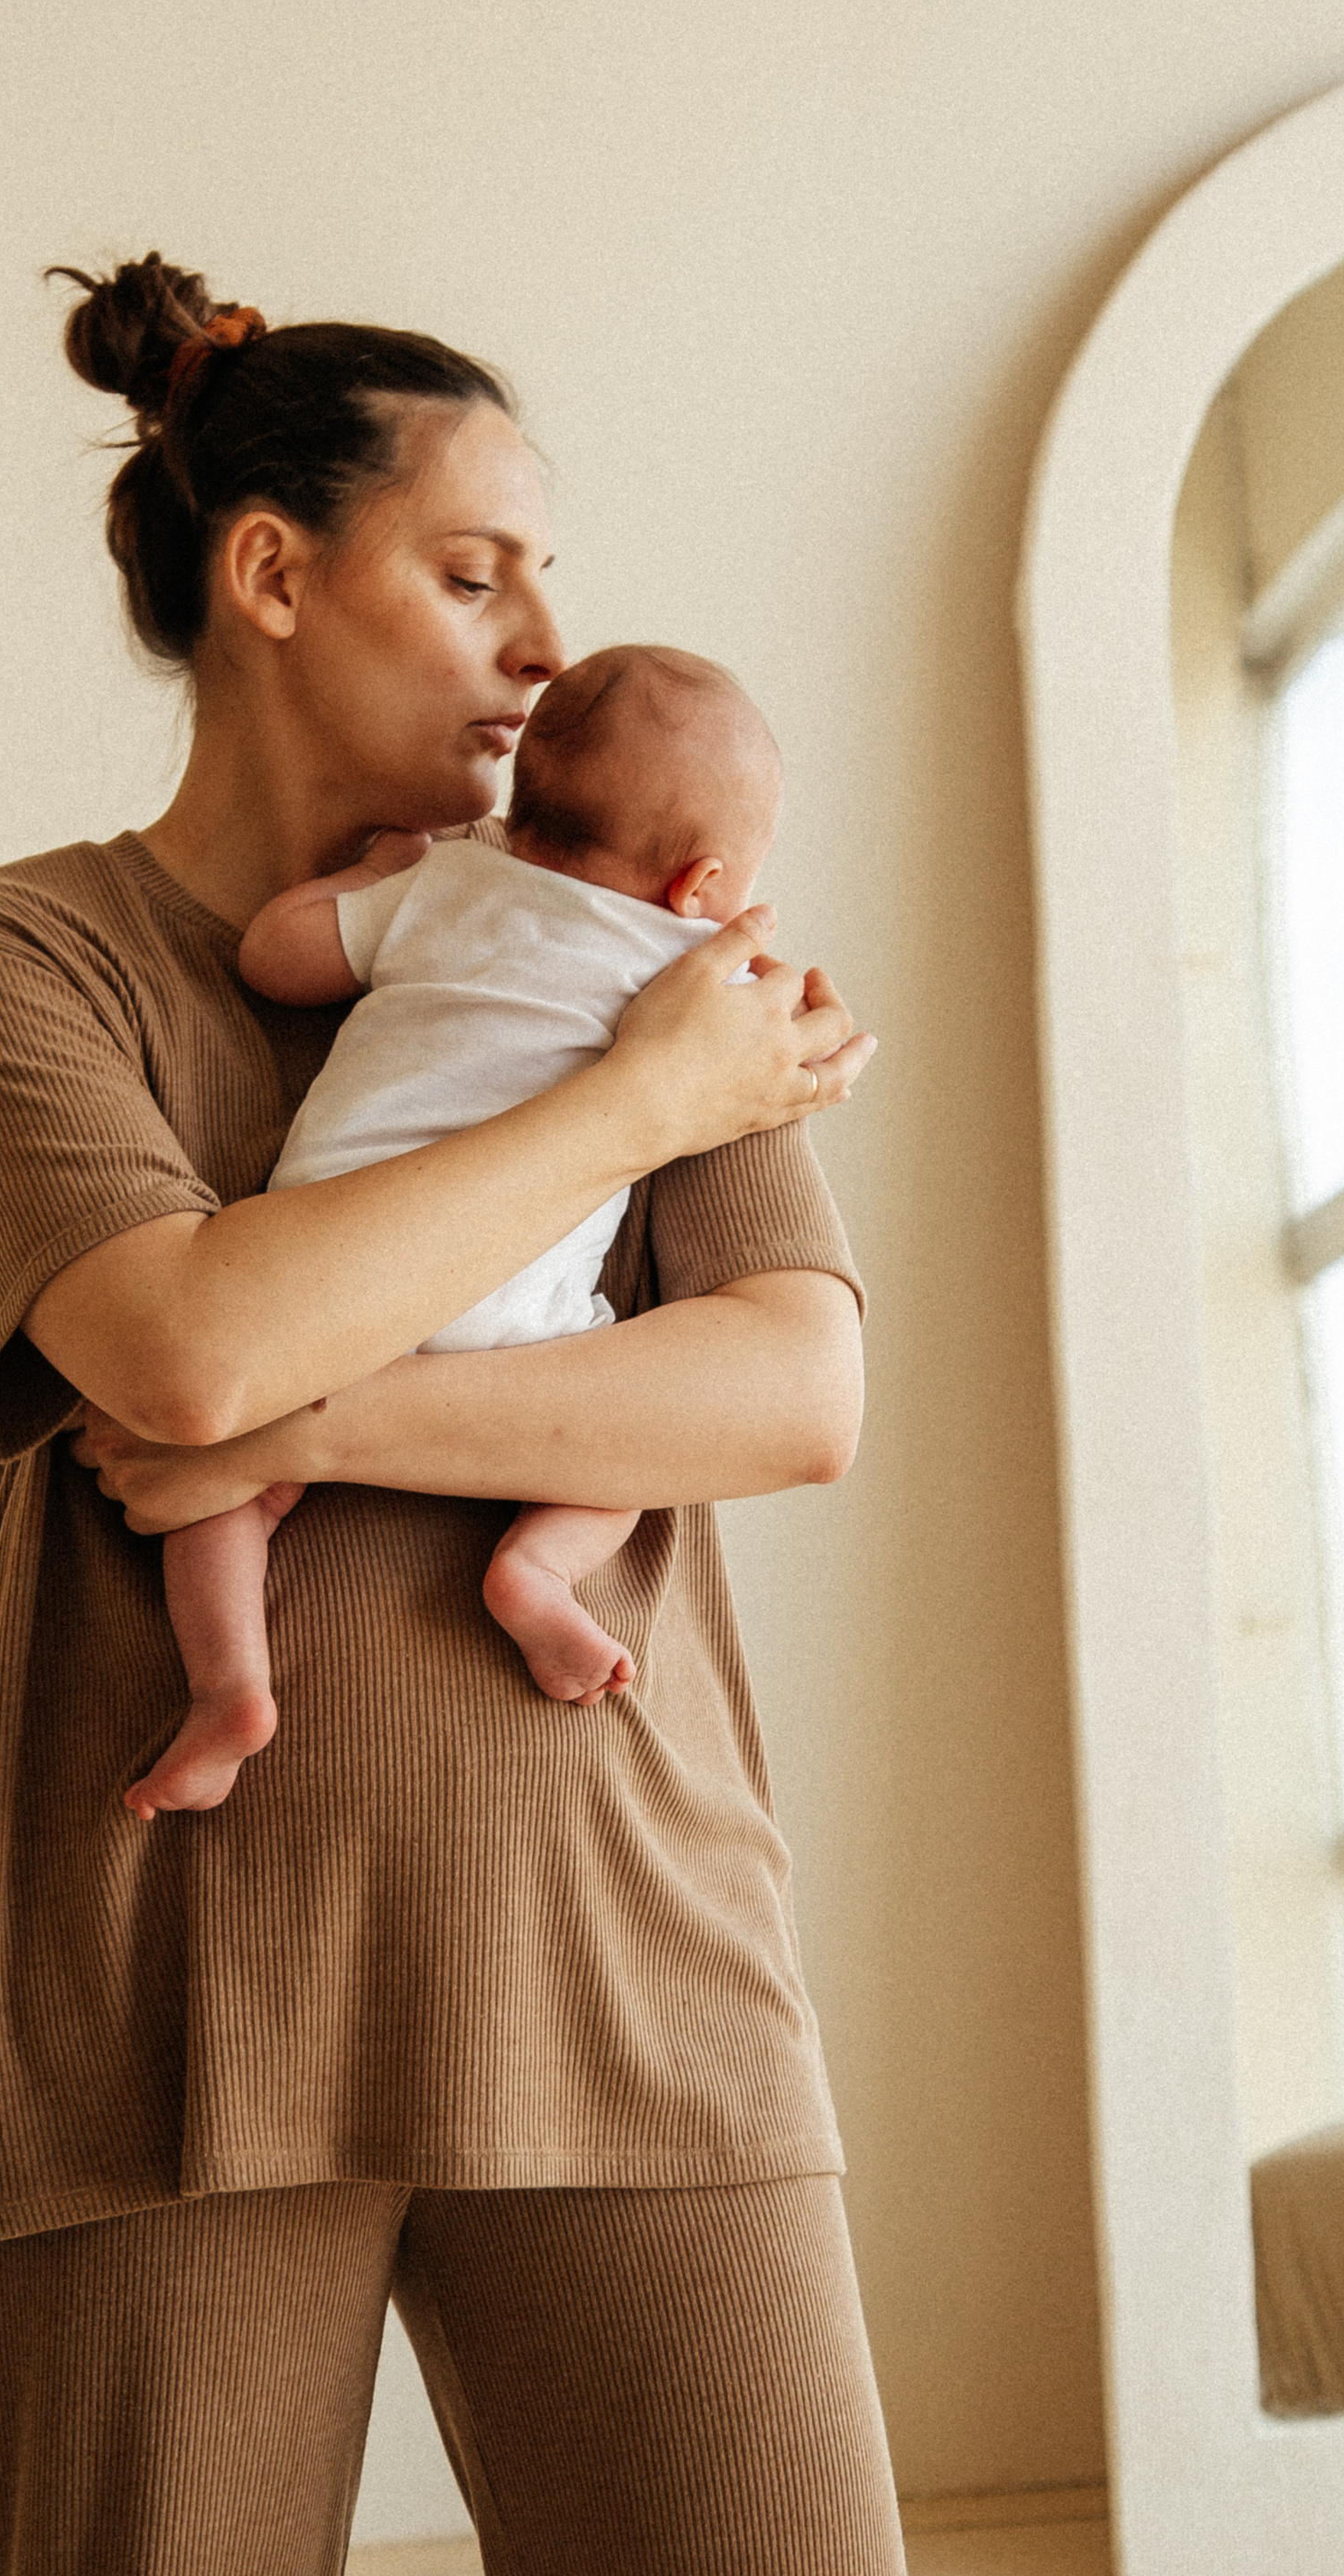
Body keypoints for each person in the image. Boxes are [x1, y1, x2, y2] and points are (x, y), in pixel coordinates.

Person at [0, 254, 904, 2576]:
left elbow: (792, 1385)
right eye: (473, 572)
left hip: (633, 1959)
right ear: (268, 575)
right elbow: (182, 1351)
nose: (543, 642)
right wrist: (634, 1105)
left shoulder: (665, 937)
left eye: (548, 577)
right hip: (158, 2006)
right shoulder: (11, 960)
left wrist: (307, 1436)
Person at [129, 642, 790, 1819]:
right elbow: (785, 1058)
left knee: (221, 1499)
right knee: (626, 1438)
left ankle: (229, 1685)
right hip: (524, 1324)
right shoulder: (691, 980)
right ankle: (534, 1572)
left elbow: (275, 958)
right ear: (701, 887)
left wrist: (378, 875)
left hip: (322, 1287)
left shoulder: (448, 889)